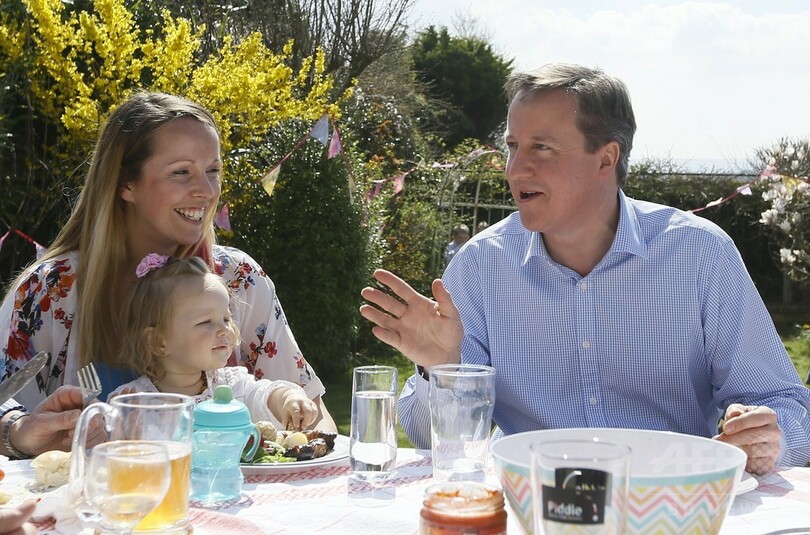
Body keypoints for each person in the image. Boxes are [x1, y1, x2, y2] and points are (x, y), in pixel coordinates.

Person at [360, 63, 810, 474]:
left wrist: (771, 436)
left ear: (606, 159)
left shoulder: (700, 255)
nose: (517, 169)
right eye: (513, 147)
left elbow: (782, 402)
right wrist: (441, 369)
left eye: (542, 147)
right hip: (531, 510)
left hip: (670, 508)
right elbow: (427, 438)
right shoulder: (478, 268)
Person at [0, 91, 336, 432]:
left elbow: (315, 421)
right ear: (125, 184)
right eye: (181, 172)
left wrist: (296, 416)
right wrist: (15, 432)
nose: (206, 190)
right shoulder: (50, 289)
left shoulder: (238, 279)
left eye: (213, 170)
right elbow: (6, 411)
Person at [109, 254, 318, 430]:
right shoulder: (134, 402)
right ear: (158, 341)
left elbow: (264, 395)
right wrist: (122, 433)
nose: (224, 330)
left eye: (226, 319)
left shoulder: (231, 384)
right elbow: (110, 457)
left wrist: (288, 398)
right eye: (206, 322)